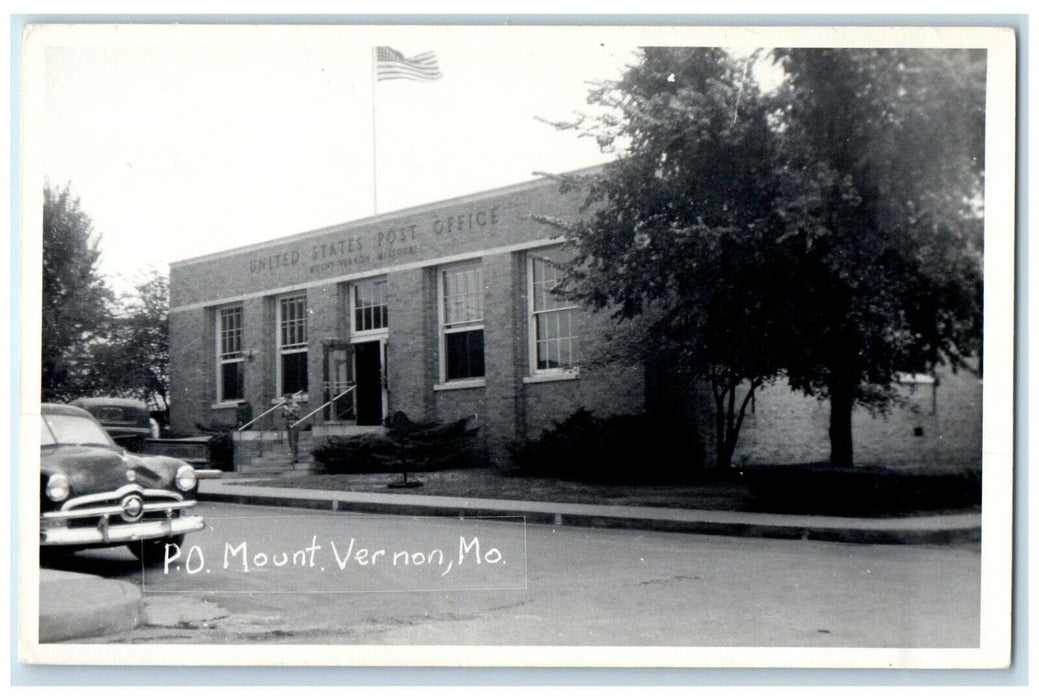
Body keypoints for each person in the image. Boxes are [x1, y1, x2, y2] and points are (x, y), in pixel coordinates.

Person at [282, 393, 302, 463]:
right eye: (285, 399)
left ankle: (295, 457)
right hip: (288, 424)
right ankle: (292, 456)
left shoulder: (296, 406)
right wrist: (286, 411)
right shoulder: (286, 406)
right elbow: (284, 415)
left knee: (294, 441)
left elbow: (297, 415)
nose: (286, 401)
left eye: (287, 399)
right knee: (290, 441)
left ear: (290, 399)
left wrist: (289, 411)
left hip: (294, 424)